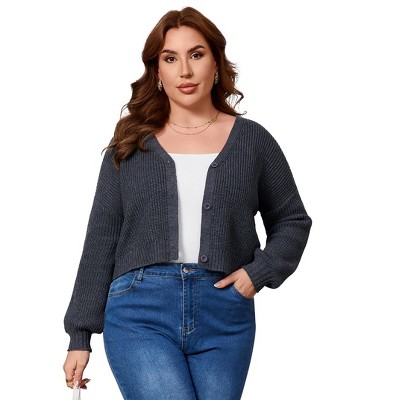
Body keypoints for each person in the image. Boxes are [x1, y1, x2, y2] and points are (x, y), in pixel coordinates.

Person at [63, 6, 312, 400]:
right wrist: (80, 334)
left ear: (216, 63)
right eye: (170, 58)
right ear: (156, 72)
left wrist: (258, 273)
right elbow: (101, 239)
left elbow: (292, 220)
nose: (184, 70)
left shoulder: (253, 141)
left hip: (225, 314)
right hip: (139, 312)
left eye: (196, 54)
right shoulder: (131, 144)